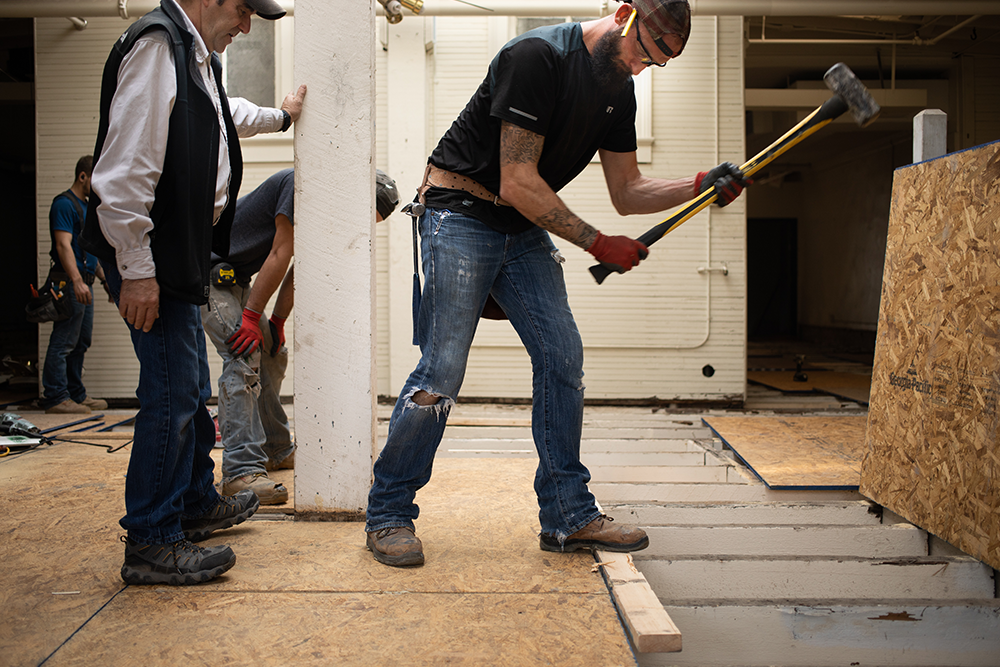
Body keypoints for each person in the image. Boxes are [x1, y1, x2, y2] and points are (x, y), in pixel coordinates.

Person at [365, 0, 748, 567]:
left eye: (658, 63)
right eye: (644, 50)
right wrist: (598, 243)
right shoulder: (536, 57)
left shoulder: (619, 90)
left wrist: (697, 184)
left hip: (519, 229)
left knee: (562, 356)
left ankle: (568, 515)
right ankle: (388, 513)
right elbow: (518, 181)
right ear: (625, 13)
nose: (642, 66)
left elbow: (628, 191)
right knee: (443, 367)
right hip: (460, 211)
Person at [81, 0, 306, 586]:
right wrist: (137, 270)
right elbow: (123, 173)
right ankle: (153, 539)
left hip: (178, 252)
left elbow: (225, 115)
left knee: (191, 386)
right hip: (151, 255)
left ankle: (193, 501)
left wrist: (281, 118)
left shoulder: (195, 58)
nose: (247, 25)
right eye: (243, 9)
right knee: (171, 394)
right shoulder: (158, 46)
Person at [205, 168, 399, 505]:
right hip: (207, 273)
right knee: (244, 355)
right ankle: (240, 472)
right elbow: (281, 253)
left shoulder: (330, 216)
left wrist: (277, 322)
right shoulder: (302, 186)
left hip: (237, 279)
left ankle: (276, 449)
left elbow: (300, 268)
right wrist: (251, 317)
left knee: (273, 353)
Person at [40, 155, 109, 415]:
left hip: (84, 282)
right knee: (64, 340)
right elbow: (63, 245)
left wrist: (104, 280)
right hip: (70, 282)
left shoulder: (86, 208)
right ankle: (56, 396)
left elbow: (89, 252)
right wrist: (77, 281)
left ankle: (75, 394)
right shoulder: (64, 204)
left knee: (81, 341)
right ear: (82, 177)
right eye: (95, 180)